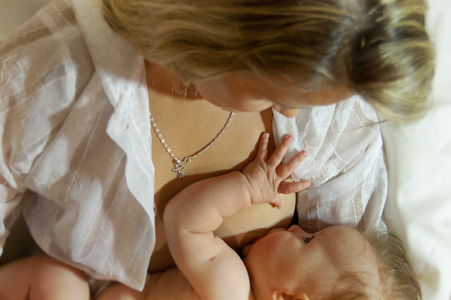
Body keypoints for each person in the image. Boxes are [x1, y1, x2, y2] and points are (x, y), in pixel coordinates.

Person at [0, 0, 434, 297]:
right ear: (222, 39)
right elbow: (186, 222)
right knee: (59, 284)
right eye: (276, 92)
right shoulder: (54, 79)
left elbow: (358, 280)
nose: (294, 115)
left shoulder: (340, 108)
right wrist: (245, 189)